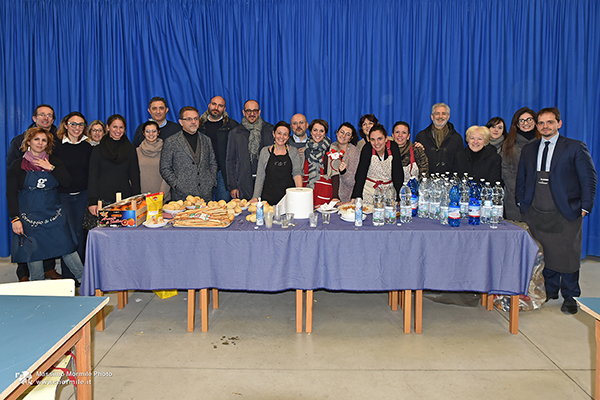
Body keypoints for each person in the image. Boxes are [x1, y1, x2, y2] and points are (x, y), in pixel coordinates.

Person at [516, 107, 597, 315]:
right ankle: (550, 290)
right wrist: (521, 203)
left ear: (559, 124)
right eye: (541, 123)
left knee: (567, 254)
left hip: (566, 211)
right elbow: (522, 179)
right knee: (545, 252)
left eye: (549, 122)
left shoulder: (575, 147)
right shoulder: (530, 149)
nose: (545, 127)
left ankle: (571, 295)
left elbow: (588, 179)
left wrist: (585, 207)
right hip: (536, 210)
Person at [6, 127, 84, 282]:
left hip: (54, 216)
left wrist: (51, 168)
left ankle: (88, 285)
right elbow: (11, 194)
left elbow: (67, 182)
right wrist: (15, 218)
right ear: (28, 141)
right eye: (36, 139)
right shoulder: (17, 165)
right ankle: (39, 297)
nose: (40, 143)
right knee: (34, 257)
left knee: (68, 250)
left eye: (44, 140)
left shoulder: (54, 161)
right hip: (29, 219)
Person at [6, 104, 60, 281]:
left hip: (48, 198)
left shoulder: (56, 141)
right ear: (34, 118)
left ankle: (49, 269)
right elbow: (12, 174)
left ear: (53, 120)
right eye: (42, 115)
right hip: (26, 199)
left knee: (48, 234)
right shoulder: (19, 141)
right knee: (26, 237)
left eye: (49, 116)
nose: (46, 118)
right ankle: (23, 274)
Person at [53, 112, 93, 265]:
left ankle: (81, 275)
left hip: (82, 195)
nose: (77, 128)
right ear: (65, 125)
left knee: (79, 233)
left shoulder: (87, 147)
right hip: (63, 196)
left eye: (80, 124)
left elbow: (90, 173)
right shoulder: (56, 146)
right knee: (67, 235)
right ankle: (68, 276)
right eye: (73, 124)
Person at [160, 106, 217, 201]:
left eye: (195, 119)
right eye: (189, 119)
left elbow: (213, 162)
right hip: (182, 196)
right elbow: (165, 168)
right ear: (181, 122)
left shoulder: (206, 140)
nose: (193, 122)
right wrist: (176, 184)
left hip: (206, 195)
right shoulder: (171, 142)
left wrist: (211, 181)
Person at [88, 115, 141, 215]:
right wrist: (92, 201)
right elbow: (93, 176)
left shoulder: (130, 149)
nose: (118, 130)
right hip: (102, 200)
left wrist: (136, 199)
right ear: (108, 127)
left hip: (125, 200)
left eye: (121, 127)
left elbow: (135, 176)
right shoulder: (98, 149)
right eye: (115, 127)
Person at [226, 100, 274, 200]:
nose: (252, 114)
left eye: (255, 111)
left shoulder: (270, 130)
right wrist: (233, 186)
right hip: (243, 184)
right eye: (248, 111)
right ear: (244, 112)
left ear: (259, 112)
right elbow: (230, 161)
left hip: (266, 183)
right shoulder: (235, 133)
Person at [197, 96, 239, 201]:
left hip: (223, 173)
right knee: (203, 207)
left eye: (220, 106)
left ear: (224, 109)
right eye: (214, 104)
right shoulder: (198, 125)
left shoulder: (232, 126)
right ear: (209, 105)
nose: (216, 107)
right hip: (203, 173)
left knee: (222, 207)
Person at [501, 108, 541, 221]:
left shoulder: (544, 142)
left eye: (529, 119)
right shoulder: (508, 144)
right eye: (521, 120)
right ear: (517, 125)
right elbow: (506, 171)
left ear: (535, 121)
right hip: (514, 198)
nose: (526, 123)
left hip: (540, 199)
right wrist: (520, 193)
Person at [250, 121, 303, 205]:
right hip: (267, 200)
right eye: (279, 133)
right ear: (273, 134)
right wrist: (255, 197)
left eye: (285, 134)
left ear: (288, 137)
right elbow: (260, 177)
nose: (281, 137)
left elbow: (297, 174)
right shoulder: (265, 151)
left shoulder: (293, 152)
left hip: (288, 200)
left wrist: (300, 194)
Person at [352, 124, 404, 204]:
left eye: (380, 139)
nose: (376, 143)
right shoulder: (367, 148)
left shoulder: (393, 147)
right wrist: (355, 197)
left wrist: (398, 198)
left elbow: (398, 174)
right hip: (369, 192)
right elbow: (360, 175)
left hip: (388, 193)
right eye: (373, 139)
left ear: (386, 138)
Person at [415, 103, 463, 175]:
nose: (440, 116)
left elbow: (460, 163)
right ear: (432, 117)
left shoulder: (457, 138)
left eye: (444, 114)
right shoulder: (421, 136)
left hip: (449, 181)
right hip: (427, 181)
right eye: (437, 113)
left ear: (448, 117)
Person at [303, 119, 335, 206]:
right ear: (310, 132)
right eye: (315, 130)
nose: (318, 133)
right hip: (307, 193)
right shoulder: (304, 150)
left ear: (325, 133)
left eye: (321, 131)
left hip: (325, 194)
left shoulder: (331, 150)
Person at [136, 120, 170, 199]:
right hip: (141, 198)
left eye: (154, 131)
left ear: (158, 132)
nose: (151, 134)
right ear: (143, 133)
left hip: (162, 196)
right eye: (148, 131)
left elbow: (169, 173)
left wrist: (161, 194)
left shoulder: (166, 151)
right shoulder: (136, 152)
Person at [330, 123, 360, 203]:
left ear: (350, 138)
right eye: (342, 132)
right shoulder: (331, 148)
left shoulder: (354, 152)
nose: (343, 136)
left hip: (347, 197)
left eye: (348, 134)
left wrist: (344, 172)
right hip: (330, 195)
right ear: (337, 132)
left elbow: (353, 182)